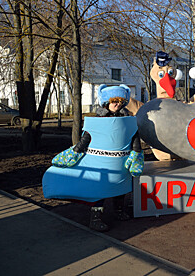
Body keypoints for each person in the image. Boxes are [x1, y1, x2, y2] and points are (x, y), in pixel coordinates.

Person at [43, 84, 144, 232]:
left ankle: (119, 211)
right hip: (101, 162)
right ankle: (95, 219)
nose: (117, 104)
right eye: (114, 101)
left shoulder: (128, 119)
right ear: (106, 102)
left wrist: (136, 153)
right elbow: (87, 138)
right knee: (100, 190)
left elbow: (134, 138)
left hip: (121, 161)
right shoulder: (99, 120)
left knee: (121, 188)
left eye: (120, 101)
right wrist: (75, 152)